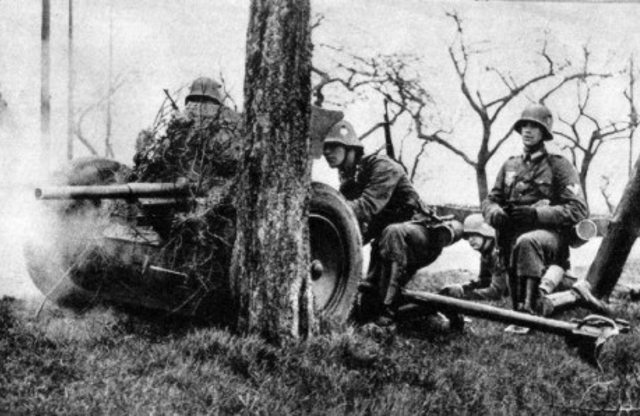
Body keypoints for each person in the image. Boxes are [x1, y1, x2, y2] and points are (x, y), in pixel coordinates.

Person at [322, 120, 455, 326]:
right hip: (387, 244)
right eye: (324, 148)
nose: (326, 152)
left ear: (351, 147)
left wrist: (327, 208)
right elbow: (354, 227)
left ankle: (388, 312)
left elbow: (365, 207)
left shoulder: (382, 167)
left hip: (420, 237)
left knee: (393, 233)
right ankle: (434, 314)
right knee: (366, 311)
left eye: (332, 146)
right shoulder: (350, 180)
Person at [481, 103, 588, 314]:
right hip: (511, 236)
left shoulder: (559, 165)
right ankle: (525, 306)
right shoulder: (510, 165)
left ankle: (530, 308)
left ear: (544, 132)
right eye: (524, 126)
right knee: (517, 246)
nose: (527, 131)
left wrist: (536, 214)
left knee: (527, 241)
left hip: (550, 238)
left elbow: (578, 209)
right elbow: (489, 201)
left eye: (534, 126)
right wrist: (496, 214)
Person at [440, 214, 508, 301]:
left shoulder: (498, 254)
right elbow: (484, 281)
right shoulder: (486, 254)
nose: (470, 240)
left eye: (475, 235)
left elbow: (496, 292)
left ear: (487, 234)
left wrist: (465, 295)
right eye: (468, 236)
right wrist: (462, 288)